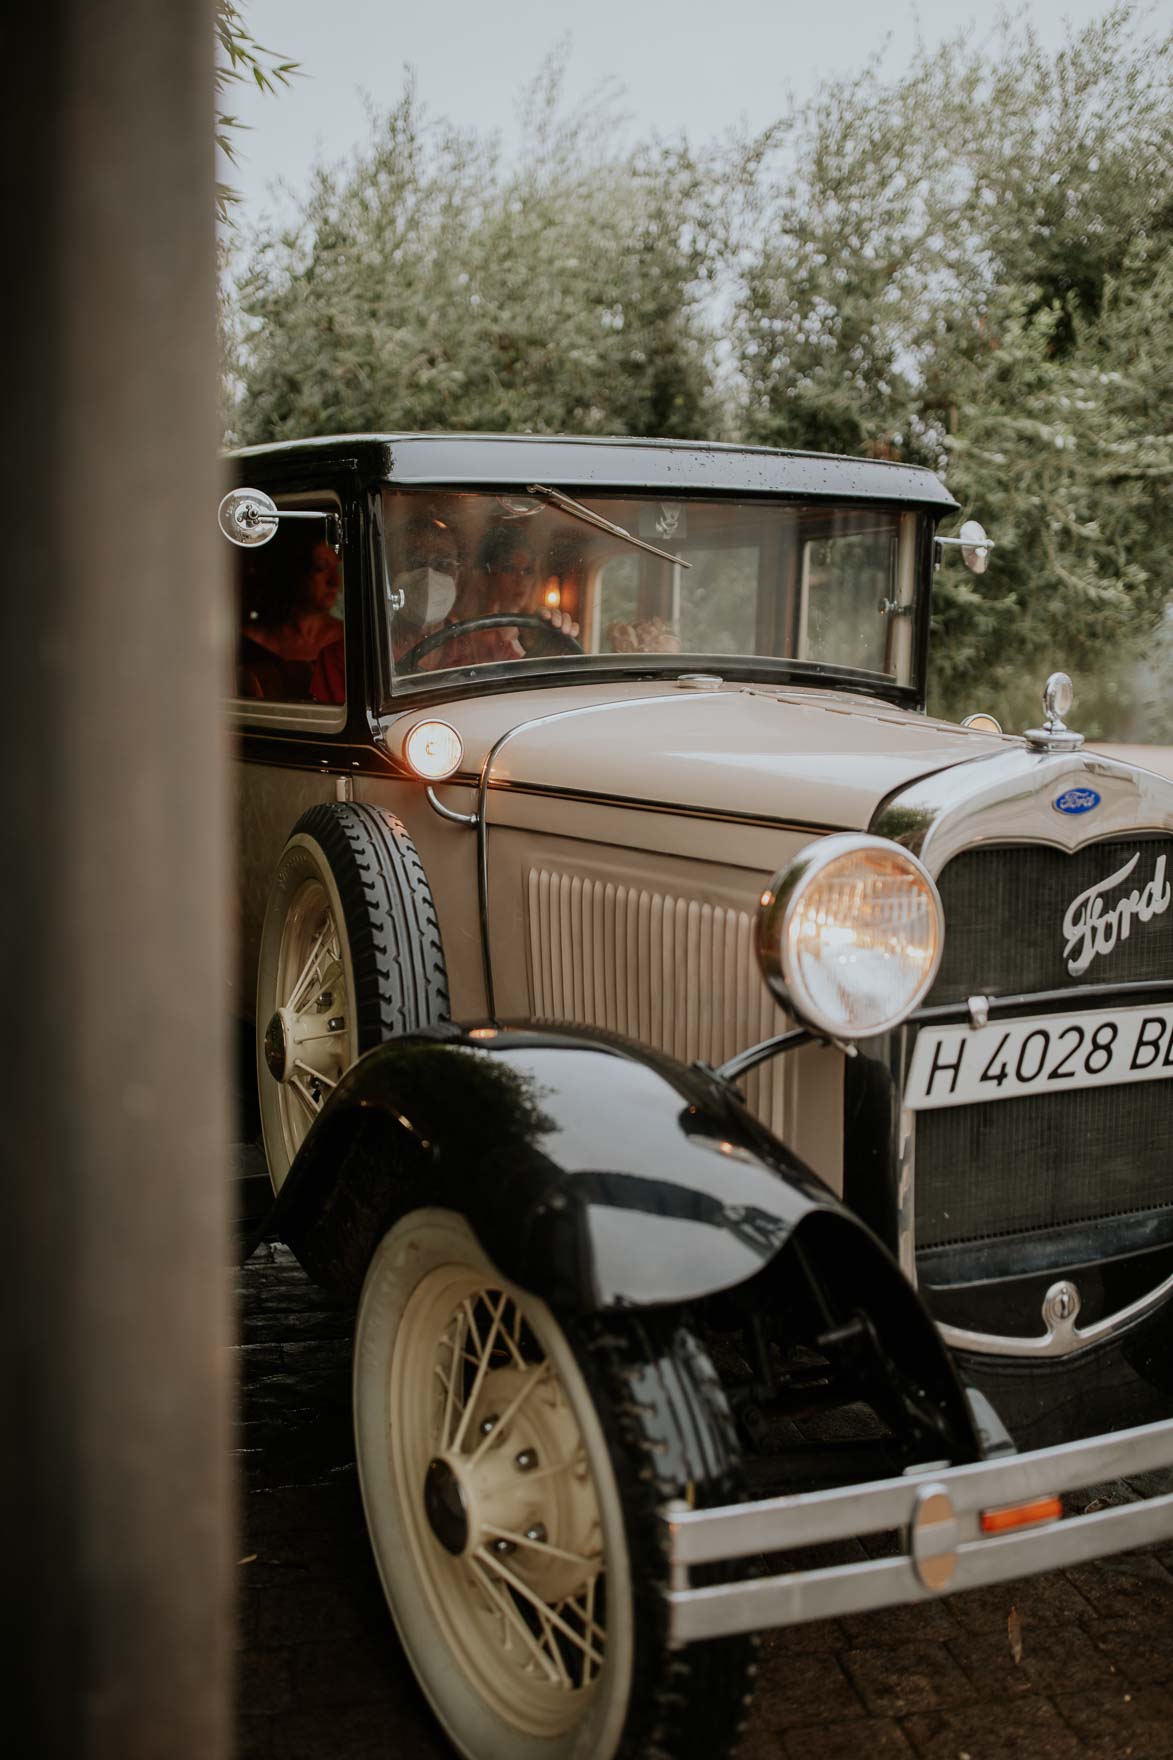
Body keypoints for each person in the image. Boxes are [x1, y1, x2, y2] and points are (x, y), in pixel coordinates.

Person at [238, 536, 345, 702]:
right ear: (292, 570)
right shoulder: (247, 642)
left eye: (335, 568)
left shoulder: (348, 641)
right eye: (321, 567)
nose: (335, 581)